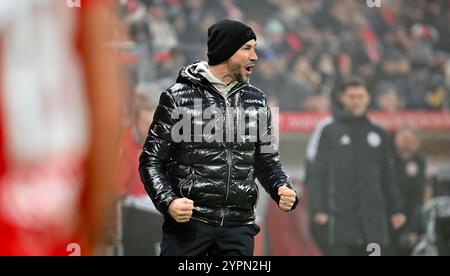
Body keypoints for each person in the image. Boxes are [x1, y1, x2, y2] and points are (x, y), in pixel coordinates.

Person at [139, 19, 298, 256]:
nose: (254, 56)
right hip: (188, 230)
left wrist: (281, 187)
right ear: (225, 51)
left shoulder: (258, 101)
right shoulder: (177, 98)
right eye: (247, 48)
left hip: (238, 230)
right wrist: (169, 202)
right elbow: (151, 161)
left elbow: (267, 161)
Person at [306, 77, 406, 256]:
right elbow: (316, 174)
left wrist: (396, 209)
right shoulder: (329, 131)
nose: (356, 101)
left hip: (372, 223)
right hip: (339, 221)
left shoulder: (379, 133)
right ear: (342, 99)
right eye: (351, 96)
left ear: (368, 98)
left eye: (360, 96)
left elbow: (388, 175)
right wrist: (317, 208)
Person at [391, 125, 427, 255]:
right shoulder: (387, 158)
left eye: (411, 140)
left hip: (410, 216)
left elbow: (419, 195)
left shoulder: (419, 161)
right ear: (395, 139)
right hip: (388, 214)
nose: (407, 143)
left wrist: (414, 228)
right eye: (403, 138)